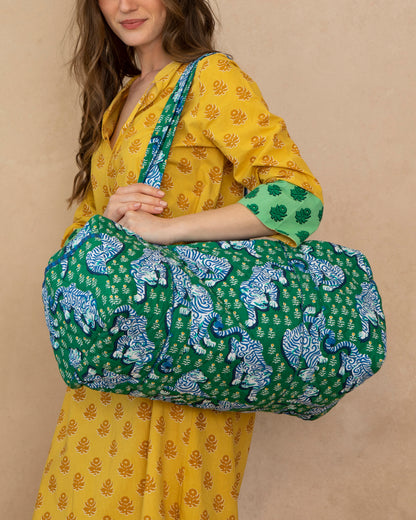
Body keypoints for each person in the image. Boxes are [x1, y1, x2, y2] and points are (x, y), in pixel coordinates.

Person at [33, 1, 324, 518]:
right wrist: (109, 220)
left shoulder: (211, 78)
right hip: (112, 365)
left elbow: (298, 201)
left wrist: (168, 231)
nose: (126, 4)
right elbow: (78, 244)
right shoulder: (119, 97)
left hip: (193, 359)